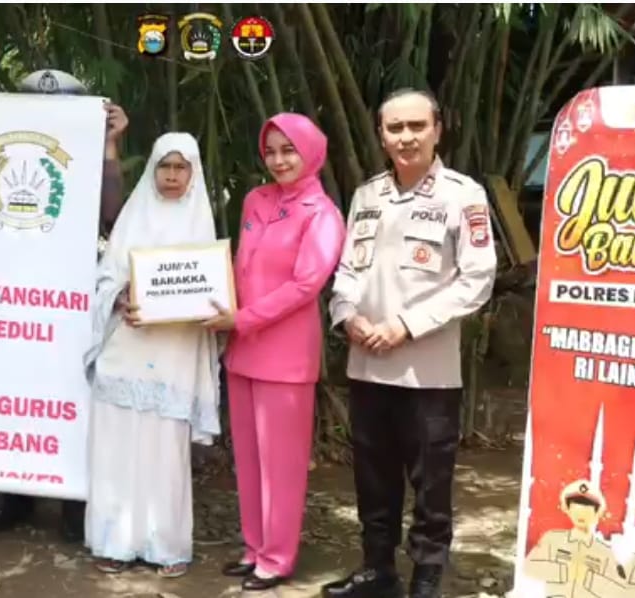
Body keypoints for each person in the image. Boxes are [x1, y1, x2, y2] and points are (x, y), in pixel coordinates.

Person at [0, 68, 129, 543]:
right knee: (12, 386)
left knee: (69, 394)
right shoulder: (10, 149)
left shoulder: (84, 152)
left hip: (68, 297)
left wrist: (109, 145)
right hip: (10, 291)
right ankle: (12, 498)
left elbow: (112, 215)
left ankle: (73, 504)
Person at [322, 88, 497, 598]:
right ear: (381, 136)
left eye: (417, 126)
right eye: (394, 128)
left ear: (437, 130)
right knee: (372, 479)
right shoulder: (368, 195)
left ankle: (426, 578)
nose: (406, 137)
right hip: (367, 365)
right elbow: (347, 271)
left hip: (428, 372)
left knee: (430, 484)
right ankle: (378, 570)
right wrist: (347, 316)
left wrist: (406, 324)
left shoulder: (462, 195)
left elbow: (477, 279)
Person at [203, 113, 346, 592]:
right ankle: (254, 548)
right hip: (241, 348)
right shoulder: (255, 200)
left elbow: (306, 285)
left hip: (284, 356)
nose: (279, 160)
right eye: (271, 151)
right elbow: (238, 266)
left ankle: (278, 557)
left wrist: (242, 319)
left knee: (281, 464)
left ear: (311, 152)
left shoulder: (321, 213)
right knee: (248, 458)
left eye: (289, 150)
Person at [82, 132, 221, 578]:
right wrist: (120, 298)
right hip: (126, 346)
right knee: (116, 446)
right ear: (153, 170)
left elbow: (209, 291)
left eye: (181, 167)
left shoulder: (200, 225)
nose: (172, 176)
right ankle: (113, 542)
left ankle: (166, 545)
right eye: (165, 166)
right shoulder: (132, 217)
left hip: (173, 350)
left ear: (193, 173)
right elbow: (105, 277)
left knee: (164, 451)